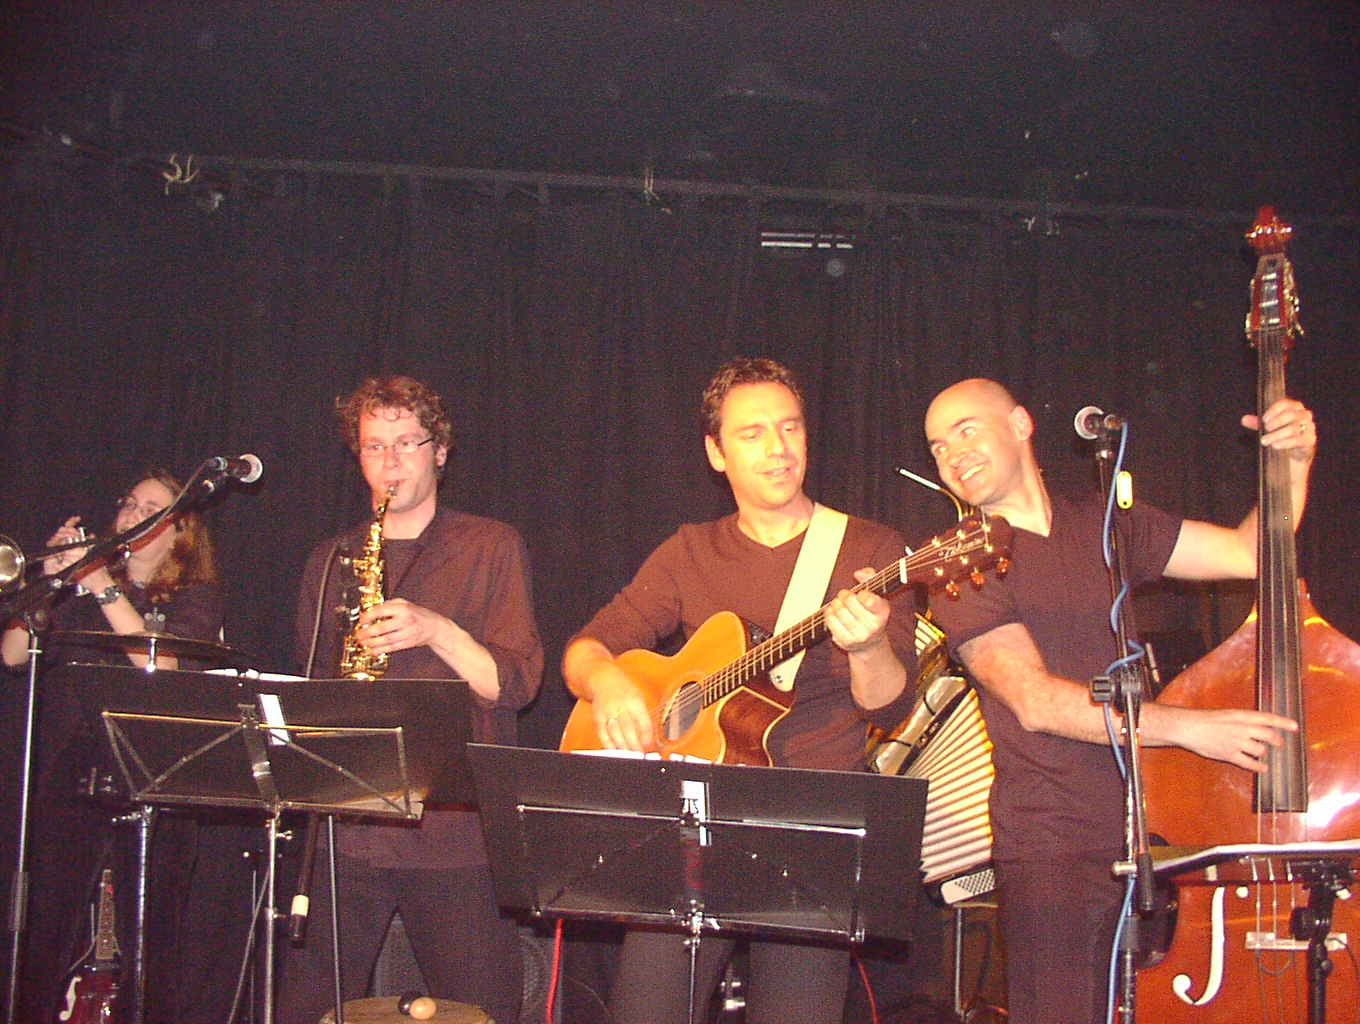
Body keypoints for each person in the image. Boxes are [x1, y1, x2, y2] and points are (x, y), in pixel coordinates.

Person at [921, 378, 1312, 1024]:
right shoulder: (960, 565)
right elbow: (1035, 700)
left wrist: (1292, 461)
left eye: (965, 430)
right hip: (1054, 848)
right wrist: (1189, 728)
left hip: (1153, 835)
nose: (951, 455)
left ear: (1020, 424)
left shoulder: (1108, 522)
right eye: (937, 446)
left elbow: (1249, 552)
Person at [563, 356, 920, 1024]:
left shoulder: (870, 548)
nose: (778, 448)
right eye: (752, 433)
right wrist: (607, 681)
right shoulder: (690, 550)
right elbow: (585, 648)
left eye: (790, 427)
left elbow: (890, 706)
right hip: (695, 821)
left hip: (813, 823)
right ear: (716, 453)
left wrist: (869, 646)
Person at [277, 375, 543, 1024]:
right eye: (374, 446)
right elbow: (309, 696)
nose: (390, 462)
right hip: (347, 831)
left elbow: (514, 685)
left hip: (454, 834)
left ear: (440, 451)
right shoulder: (331, 559)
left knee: (483, 1011)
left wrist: (436, 630)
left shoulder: (491, 545)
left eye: (406, 443)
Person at [1, 469, 225, 1023]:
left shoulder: (196, 597)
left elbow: (160, 665)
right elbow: (11, 654)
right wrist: (52, 583)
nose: (132, 514)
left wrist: (100, 583)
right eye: (128, 503)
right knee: (44, 928)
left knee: (150, 941)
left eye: (150, 509)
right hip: (72, 772)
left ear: (180, 534)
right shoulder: (83, 588)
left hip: (156, 774)